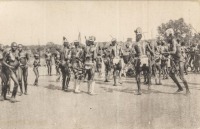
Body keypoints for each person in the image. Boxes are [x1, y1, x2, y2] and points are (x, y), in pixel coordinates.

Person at [162, 28, 190, 95]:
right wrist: (165, 54)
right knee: (171, 74)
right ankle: (180, 87)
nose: (166, 37)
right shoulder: (171, 42)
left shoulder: (173, 41)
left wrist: (167, 52)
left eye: (167, 36)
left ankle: (188, 90)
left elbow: (174, 51)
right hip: (175, 61)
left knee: (181, 76)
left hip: (180, 60)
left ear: (170, 35)